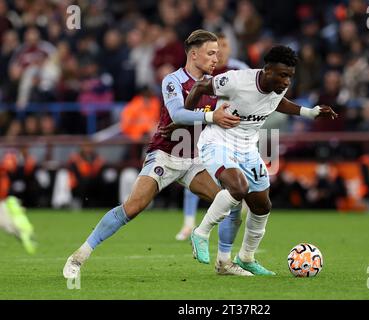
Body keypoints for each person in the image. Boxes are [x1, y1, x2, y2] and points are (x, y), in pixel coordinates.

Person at [63, 30, 251, 280]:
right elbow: (177, 115)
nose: (217, 58)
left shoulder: (216, 84)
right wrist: (211, 116)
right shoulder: (173, 80)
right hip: (164, 155)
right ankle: (78, 257)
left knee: (230, 201)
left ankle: (224, 262)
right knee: (133, 207)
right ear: (194, 55)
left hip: (194, 159)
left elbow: (222, 114)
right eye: (211, 53)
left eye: (217, 53)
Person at [186, 45, 337, 275]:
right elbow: (199, 86)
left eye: (290, 76)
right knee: (238, 187)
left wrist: (311, 112)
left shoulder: (277, 88)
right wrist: (185, 120)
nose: (287, 82)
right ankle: (201, 233)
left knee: (262, 205)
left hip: (247, 148)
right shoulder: (236, 81)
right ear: (267, 70)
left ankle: (246, 257)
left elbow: (277, 103)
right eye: (282, 75)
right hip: (217, 141)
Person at [176, 32, 249, 241]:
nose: (222, 51)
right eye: (217, 47)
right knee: (194, 169)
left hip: (235, 131)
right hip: (207, 127)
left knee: (238, 180)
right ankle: (189, 223)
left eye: (225, 45)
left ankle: (231, 221)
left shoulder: (240, 69)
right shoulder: (205, 71)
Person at [0, 164, 36, 254]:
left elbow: (4, 193)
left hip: (1, 203)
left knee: (8, 226)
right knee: (8, 226)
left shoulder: (3, 175)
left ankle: (25, 235)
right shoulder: (4, 175)